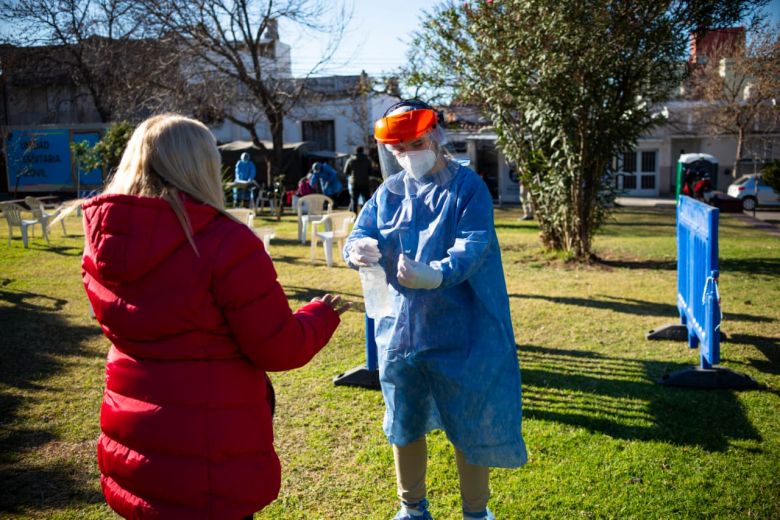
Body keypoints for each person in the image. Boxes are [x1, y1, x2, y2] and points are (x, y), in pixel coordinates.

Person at [80, 114, 350, 519]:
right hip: (207, 448)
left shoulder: (104, 241)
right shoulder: (223, 241)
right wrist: (321, 314)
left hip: (136, 438)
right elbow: (279, 347)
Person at [343, 100, 527, 520]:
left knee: (470, 421)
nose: (408, 154)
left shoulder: (467, 187)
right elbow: (361, 231)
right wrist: (357, 250)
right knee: (403, 420)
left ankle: (476, 513)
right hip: (400, 331)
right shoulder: (387, 192)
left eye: (416, 143)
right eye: (398, 148)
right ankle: (411, 508)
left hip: (461, 328)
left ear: (437, 136)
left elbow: (474, 244)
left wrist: (437, 274)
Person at [344, 145, 373, 213]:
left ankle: (355, 217)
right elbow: (370, 172)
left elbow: (345, 171)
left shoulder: (350, 160)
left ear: (355, 151)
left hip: (354, 183)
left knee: (354, 201)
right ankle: (366, 215)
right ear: (362, 151)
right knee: (366, 200)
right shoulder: (367, 160)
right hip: (365, 183)